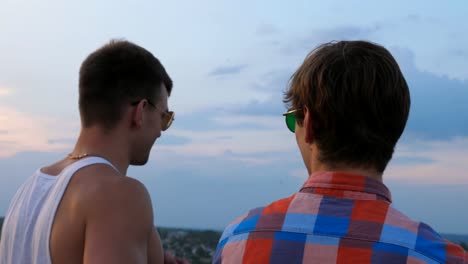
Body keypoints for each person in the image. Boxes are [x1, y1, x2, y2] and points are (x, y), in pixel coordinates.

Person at [214, 41, 467, 263]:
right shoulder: (440, 257)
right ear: (395, 129)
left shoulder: (239, 241)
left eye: (293, 121)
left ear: (309, 125)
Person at [0, 40, 187, 264]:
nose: (160, 131)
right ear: (141, 111)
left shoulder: (27, 191)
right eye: (164, 117)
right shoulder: (119, 195)